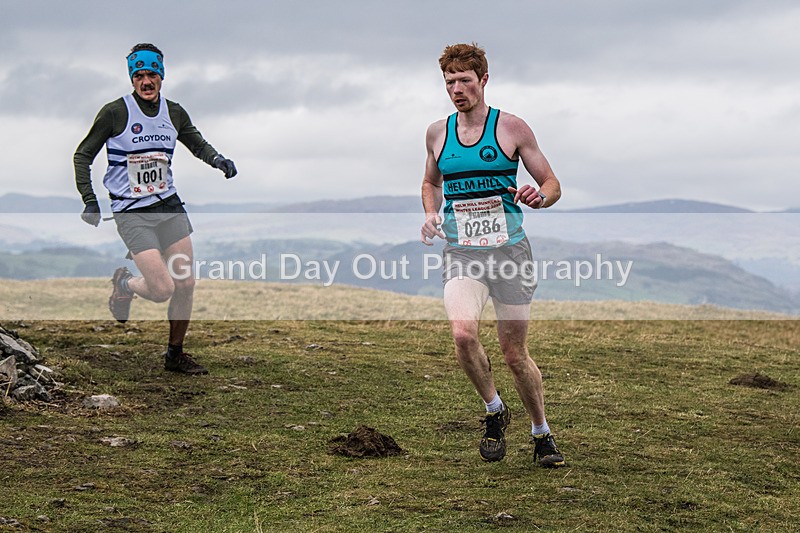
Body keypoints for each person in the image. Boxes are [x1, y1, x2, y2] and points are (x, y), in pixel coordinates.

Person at [420, 43, 565, 467]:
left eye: (465, 80)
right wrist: (431, 214)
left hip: (509, 253)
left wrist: (540, 197)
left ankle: (541, 433)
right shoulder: (437, 132)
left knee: (513, 354)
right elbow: (429, 182)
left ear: (483, 80)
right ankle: (494, 409)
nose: (457, 89)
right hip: (462, 252)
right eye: (450, 82)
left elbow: (552, 182)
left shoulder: (512, 128)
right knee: (463, 335)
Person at [74, 43, 237, 375]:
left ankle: (174, 354)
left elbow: (196, 143)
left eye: (151, 74)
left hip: (169, 206)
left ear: (162, 76)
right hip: (132, 212)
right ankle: (123, 285)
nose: (146, 81)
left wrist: (217, 159)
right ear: (132, 79)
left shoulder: (173, 112)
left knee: (186, 283)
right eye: (139, 76)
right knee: (163, 289)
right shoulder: (114, 113)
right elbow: (82, 155)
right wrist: (89, 199)